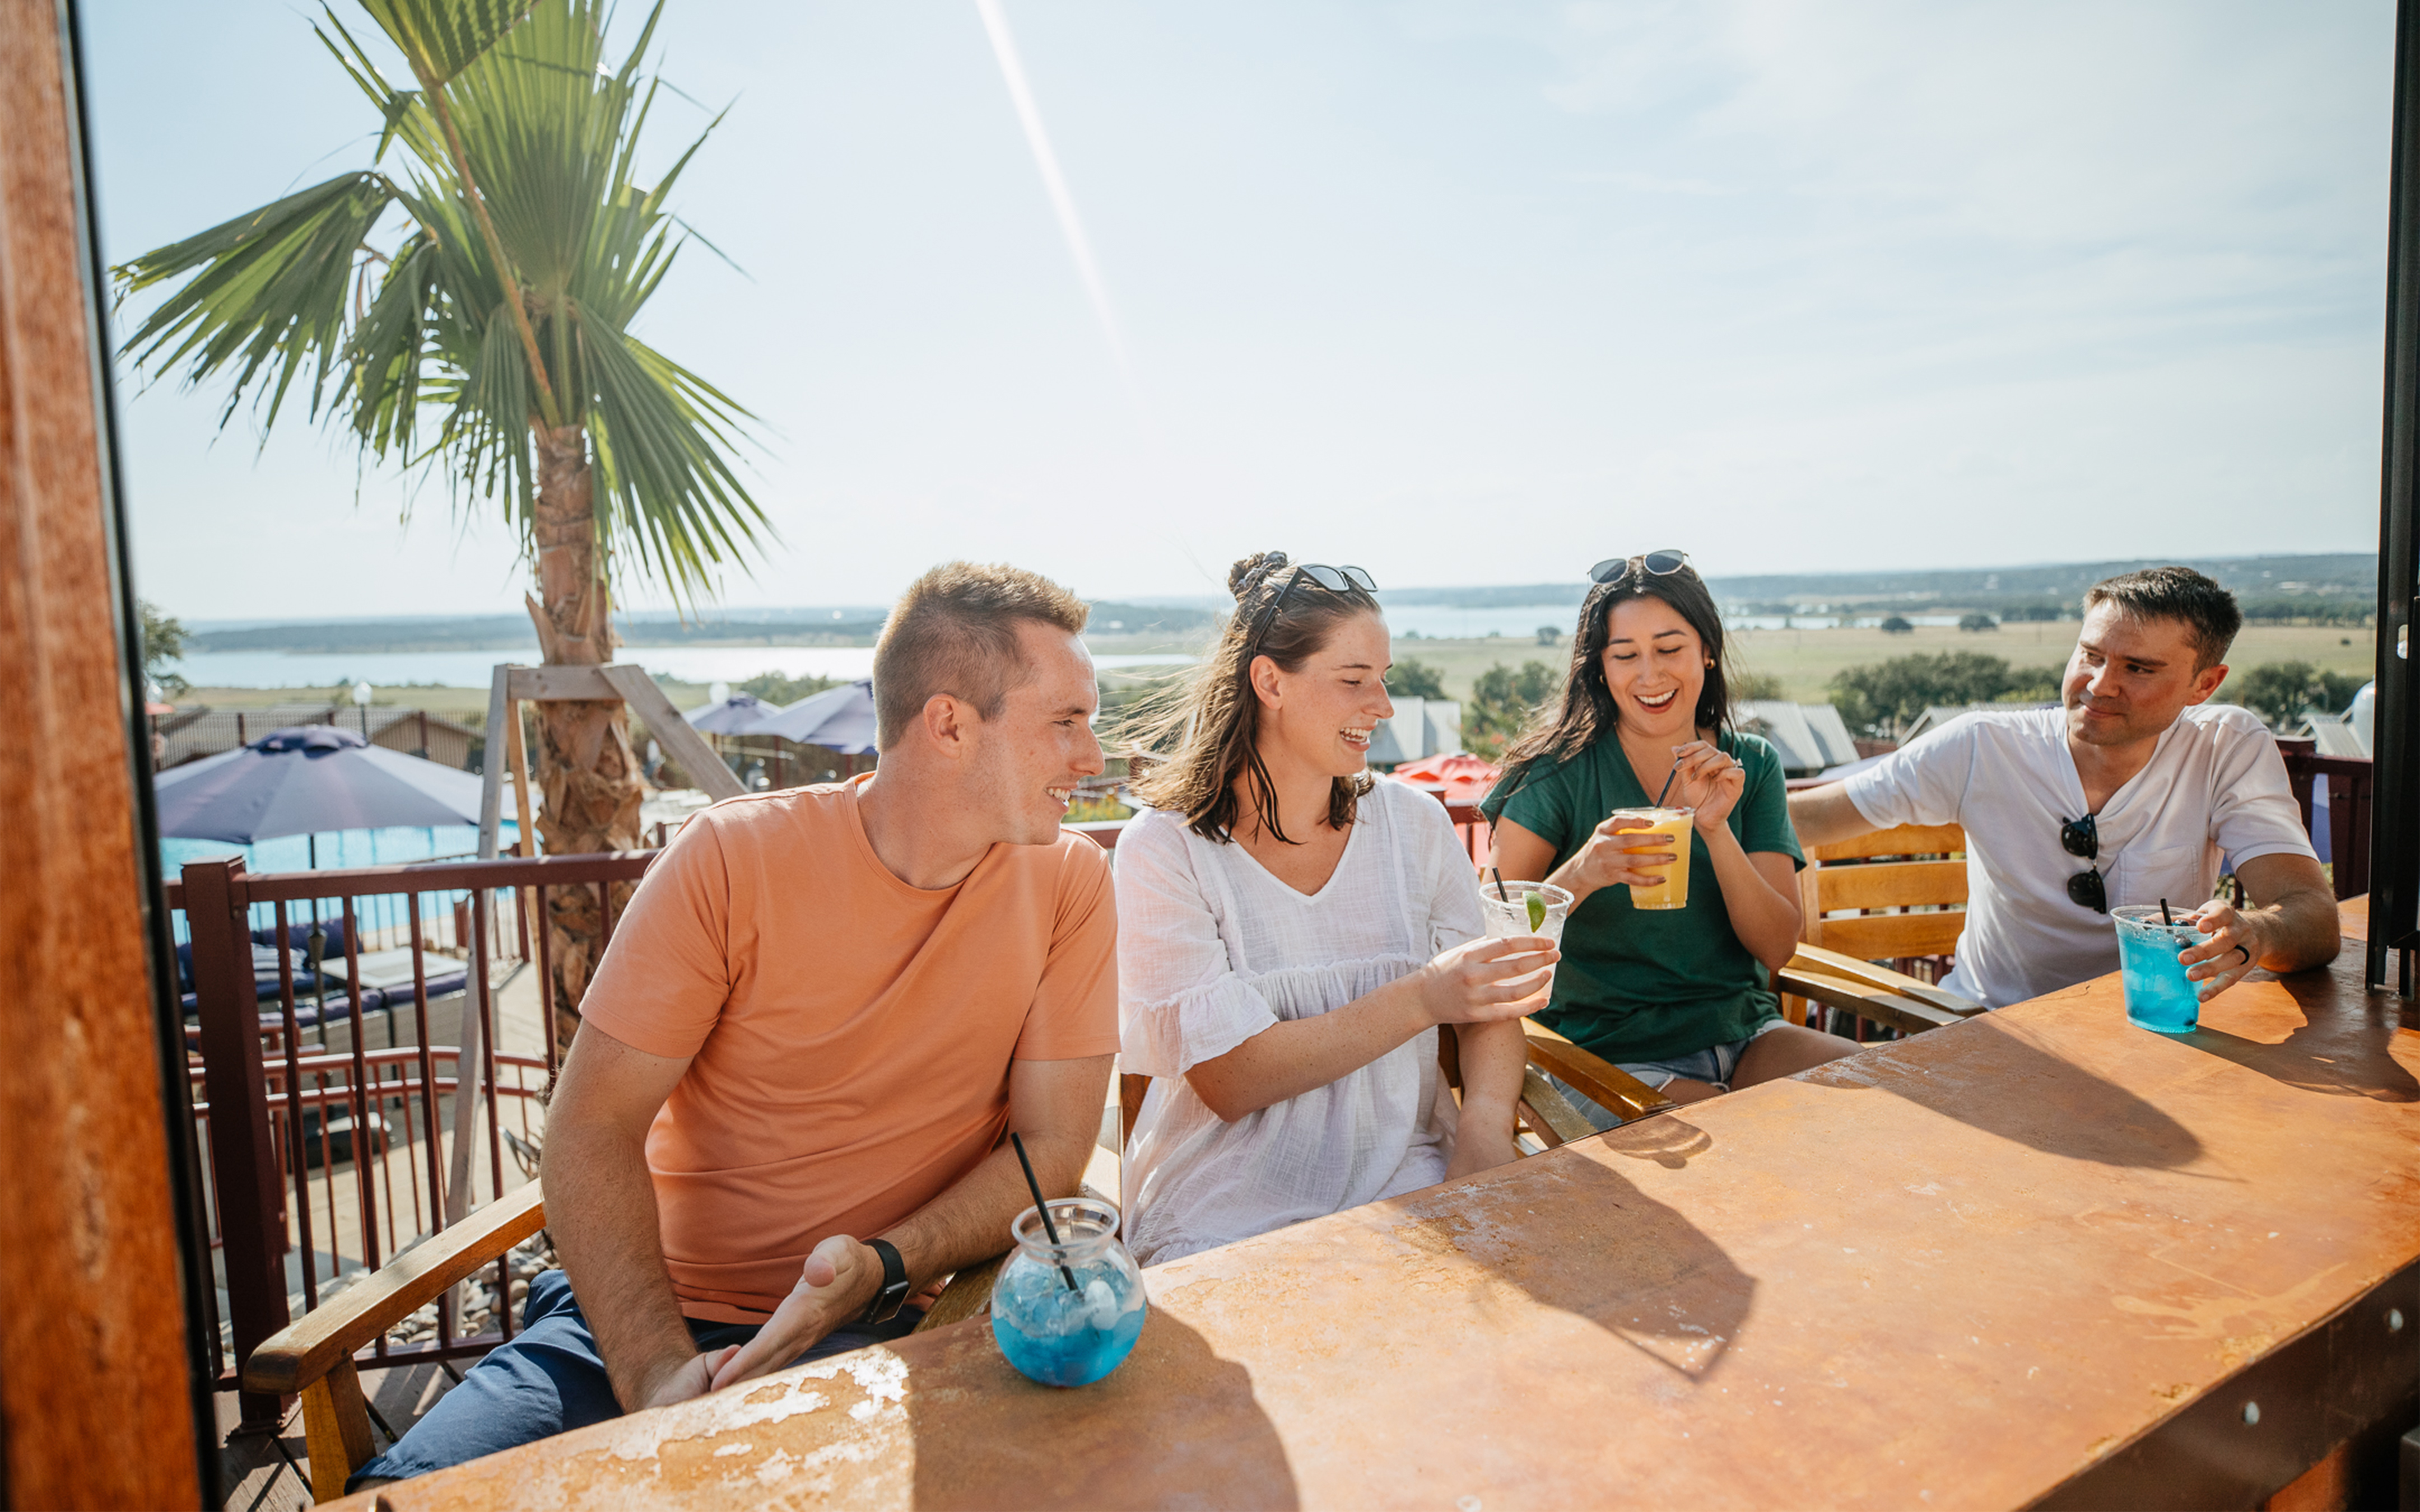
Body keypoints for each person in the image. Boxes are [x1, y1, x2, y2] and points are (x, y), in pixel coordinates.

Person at [352, 563, 1120, 1487]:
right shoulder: (730, 857)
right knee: (411, 1495)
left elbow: (1051, 1147)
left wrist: (882, 1267)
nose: (1093, 759)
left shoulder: (1069, 884)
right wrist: (656, 1374)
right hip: (633, 1322)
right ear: (950, 724)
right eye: (1067, 722)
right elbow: (591, 1127)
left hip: (873, 1328)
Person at [1114, 552, 1553, 1267]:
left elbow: (1487, 1010)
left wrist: (1483, 1131)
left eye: (1383, 679)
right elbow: (1233, 1080)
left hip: (1407, 1173)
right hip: (1228, 1203)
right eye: (1354, 681)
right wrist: (1423, 996)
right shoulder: (1164, 851)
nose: (1383, 706)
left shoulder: (1415, 825)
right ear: (1269, 682)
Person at [1789, 566, 2338, 1009]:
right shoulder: (1981, 746)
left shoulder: (2225, 746)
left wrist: (2256, 933)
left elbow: (2313, 917)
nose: (2100, 685)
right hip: (1987, 1032)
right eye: (2091, 656)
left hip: (2148, 1035)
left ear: (2205, 684)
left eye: (2138, 669)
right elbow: (1804, 819)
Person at [1482, 550, 1854, 1119]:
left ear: (1707, 650)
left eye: (1669, 649)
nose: (1650, 675)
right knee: (1733, 1136)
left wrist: (1717, 830)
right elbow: (1495, 939)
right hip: (1603, 1054)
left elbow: (1777, 947)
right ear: (1600, 668)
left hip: (1745, 1034)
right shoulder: (1554, 775)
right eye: (1625, 655)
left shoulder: (1752, 765)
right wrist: (1583, 872)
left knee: (1883, 1091)